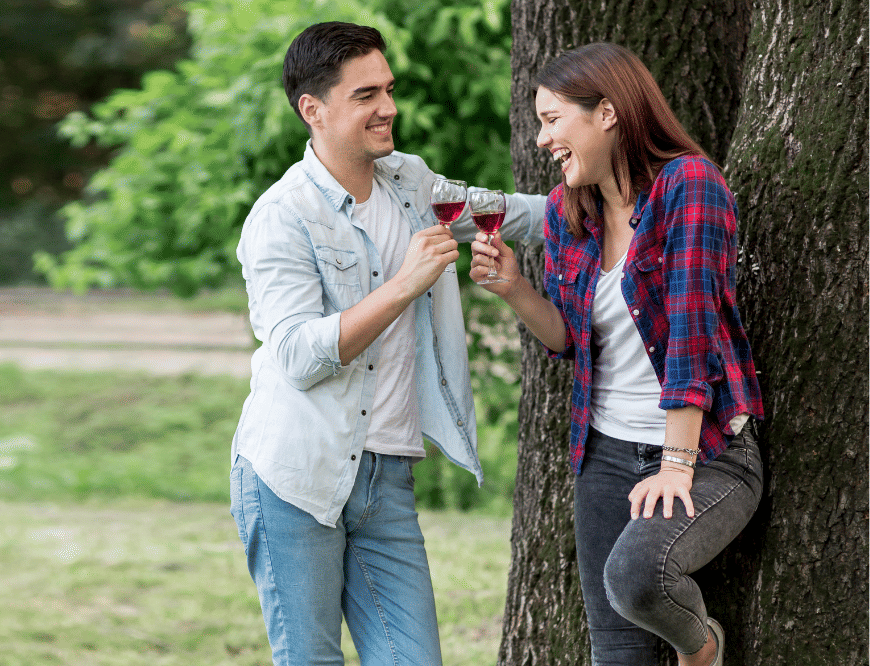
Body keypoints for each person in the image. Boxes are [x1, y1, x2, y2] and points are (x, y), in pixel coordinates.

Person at [229, 21, 545, 666]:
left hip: (386, 475)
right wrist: (406, 284)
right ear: (312, 110)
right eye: (366, 95)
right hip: (296, 474)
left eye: (389, 89)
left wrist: (628, 193)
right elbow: (295, 354)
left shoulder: (410, 182)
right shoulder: (282, 215)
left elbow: (507, 211)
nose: (389, 108)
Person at [470, 43, 764, 666]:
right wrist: (516, 289)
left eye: (553, 119)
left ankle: (702, 648)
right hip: (601, 457)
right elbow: (568, 341)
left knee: (636, 578)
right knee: (615, 652)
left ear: (606, 111)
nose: (543, 139)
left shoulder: (690, 185)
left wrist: (676, 464)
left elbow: (690, 332)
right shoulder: (565, 210)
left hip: (706, 451)